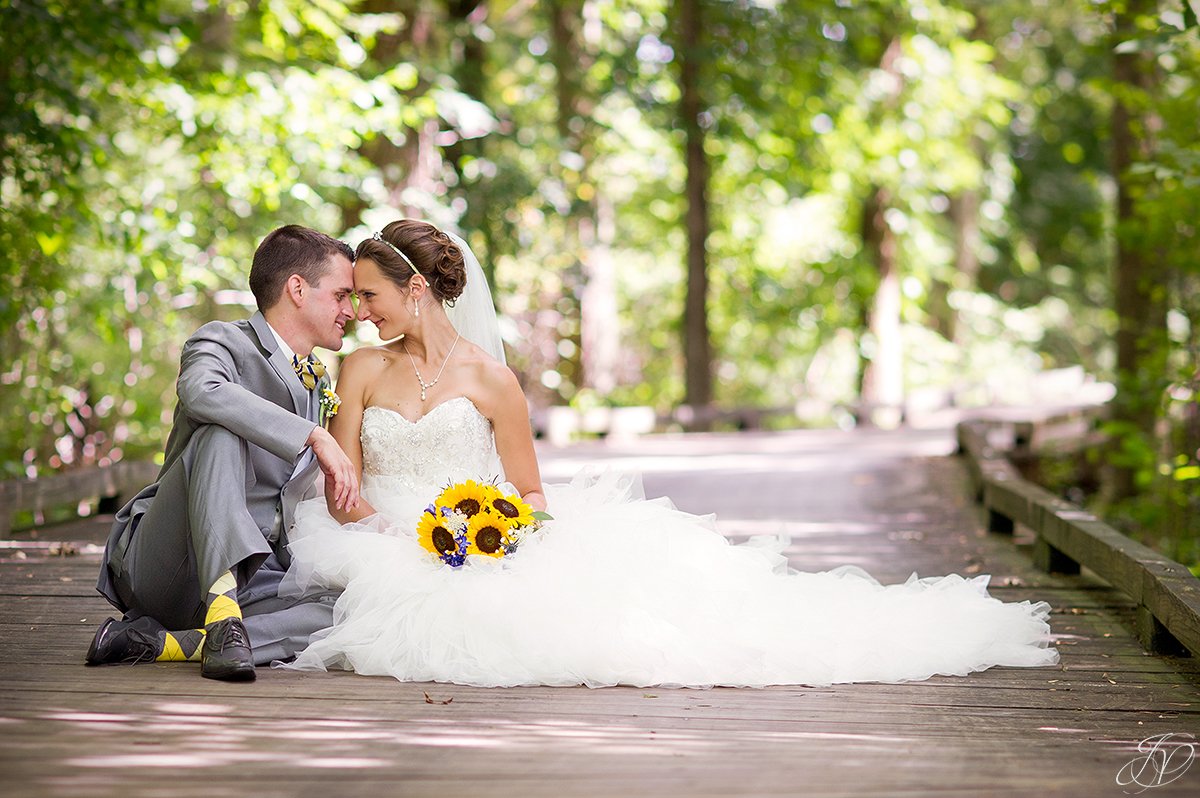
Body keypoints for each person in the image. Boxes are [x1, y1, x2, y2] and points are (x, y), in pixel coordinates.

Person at [278, 220, 1060, 688]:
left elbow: (531, 493)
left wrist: (494, 533)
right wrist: (393, 533)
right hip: (383, 539)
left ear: (415, 291)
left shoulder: (493, 382)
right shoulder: (362, 368)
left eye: (371, 295)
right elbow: (343, 482)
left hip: (473, 541)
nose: (359, 311)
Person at [89, 225, 362, 681]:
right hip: (172, 564)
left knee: (352, 607)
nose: (350, 311)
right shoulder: (221, 340)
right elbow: (201, 391)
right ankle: (218, 608)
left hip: (255, 576)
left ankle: (173, 643)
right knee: (219, 432)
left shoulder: (319, 380)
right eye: (340, 295)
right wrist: (314, 434)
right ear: (297, 288)